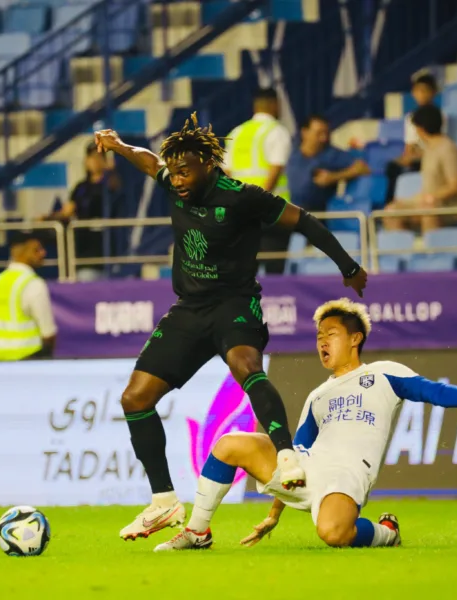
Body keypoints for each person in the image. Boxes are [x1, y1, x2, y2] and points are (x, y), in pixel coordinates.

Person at [93, 113, 368, 541]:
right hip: (189, 309)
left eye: (186, 171)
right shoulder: (172, 180)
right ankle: (163, 503)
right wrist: (118, 145)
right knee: (135, 398)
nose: (178, 179)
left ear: (209, 165)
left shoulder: (241, 197)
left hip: (234, 305)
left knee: (244, 366)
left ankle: (286, 456)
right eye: (176, 172)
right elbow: (149, 162)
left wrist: (348, 266)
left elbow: (306, 221)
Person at [153, 298, 457, 552]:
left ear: (355, 338)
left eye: (331, 334)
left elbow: (432, 391)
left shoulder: (384, 374)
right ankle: (196, 532)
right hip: (311, 468)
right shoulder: (318, 395)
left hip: (348, 473)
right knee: (231, 443)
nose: (322, 342)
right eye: (318, 336)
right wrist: (274, 512)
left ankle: (386, 532)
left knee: (332, 532)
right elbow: (291, 456)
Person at [223, 88, 293, 274]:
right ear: (274, 104)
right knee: (274, 267)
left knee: (245, 269)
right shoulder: (277, 131)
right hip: (271, 212)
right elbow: (275, 171)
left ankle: (245, 303)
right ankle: (275, 302)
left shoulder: (237, 132)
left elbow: (226, 173)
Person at [42, 142, 123, 281]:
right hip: (86, 249)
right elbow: (68, 210)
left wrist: (111, 171)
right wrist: (47, 217)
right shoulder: (81, 187)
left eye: (99, 157)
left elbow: (116, 192)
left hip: (107, 246)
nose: (95, 161)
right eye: (91, 157)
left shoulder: (111, 184)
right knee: (86, 277)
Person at [385, 104, 457, 234]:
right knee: (392, 210)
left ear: (421, 129)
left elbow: (455, 186)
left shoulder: (448, 149)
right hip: (428, 200)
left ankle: (431, 252)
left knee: (428, 207)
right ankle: (402, 253)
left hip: (449, 205)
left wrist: (430, 198)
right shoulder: (429, 149)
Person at [0, 231, 57, 360]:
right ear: (19, 253)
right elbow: (48, 332)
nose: (43, 253)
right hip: (29, 359)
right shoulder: (33, 283)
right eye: (36, 250)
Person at [286, 115, 370, 214]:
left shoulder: (331, 154)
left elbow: (363, 168)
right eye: (319, 133)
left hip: (317, 215)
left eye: (326, 133)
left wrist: (333, 177)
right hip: (286, 209)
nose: (323, 138)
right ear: (305, 132)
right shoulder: (290, 150)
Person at [384, 71, 444, 205]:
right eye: (418, 91)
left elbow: (439, 143)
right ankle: (390, 204)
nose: (421, 94)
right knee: (392, 166)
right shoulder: (410, 118)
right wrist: (406, 157)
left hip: (431, 156)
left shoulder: (441, 116)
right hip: (415, 157)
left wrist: (422, 154)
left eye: (425, 91)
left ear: (433, 93)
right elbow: (409, 145)